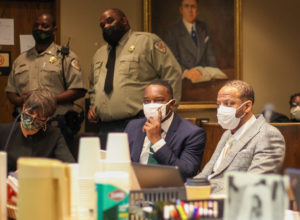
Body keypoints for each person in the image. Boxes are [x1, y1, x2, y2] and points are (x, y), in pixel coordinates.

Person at [88, 8, 182, 148]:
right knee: (108, 168)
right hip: (105, 127)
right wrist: (94, 105)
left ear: (124, 20)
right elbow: (93, 86)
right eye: (102, 25)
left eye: (110, 21)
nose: (106, 26)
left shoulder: (147, 42)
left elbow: (172, 73)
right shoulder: (99, 54)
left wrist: (167, 111)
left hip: (139, 123)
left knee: (137, 168)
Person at [5, 13, 86, 156]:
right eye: (36, 26)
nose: (39, 29)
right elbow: (10, 91)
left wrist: (49, 100)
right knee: (25, 168)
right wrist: (19, 100)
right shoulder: (21, 59)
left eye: (45, 26)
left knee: (60, 169)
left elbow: (78, 89)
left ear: (54, 30)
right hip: (26, 126)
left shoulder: (66, 57)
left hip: (56, 124)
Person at [195, 80, 285, 194]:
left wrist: (206, 191)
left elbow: (253, 184)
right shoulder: (227, 133)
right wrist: (183, 190)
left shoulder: (268, 135)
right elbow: (206, 174)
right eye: (219, 104)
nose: (221, 109)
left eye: (228, 103)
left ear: (247, 106)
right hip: (204, 199)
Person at [125, 80, 205, 179]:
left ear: (171, 104)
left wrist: (157, 141)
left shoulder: (192, 133)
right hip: (133, 186)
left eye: (158, 100)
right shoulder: (133, 126)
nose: (151, 105)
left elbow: (186, 173)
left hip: (168, 190)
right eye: (147, 101)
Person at [0, 88, 75, 173]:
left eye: (39, 117)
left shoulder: (54, 135)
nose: (32, 119)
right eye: (31, 113)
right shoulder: (3, 132)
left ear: (47, 119)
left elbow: (70, 167)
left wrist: (37, 171)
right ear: (24, 107)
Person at [164, 0, 227, 83]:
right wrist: (186, 72)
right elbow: (172, 60)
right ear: (181, 10)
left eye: (193, 6)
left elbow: (210, 56)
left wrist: (215, 74)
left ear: (197, 10)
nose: (190, 10)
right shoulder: (172, 31)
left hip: (204, 78)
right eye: (186, 6)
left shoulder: (204, 28)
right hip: (183, 79)